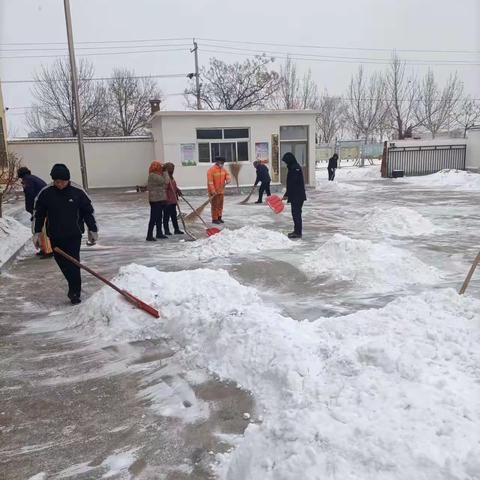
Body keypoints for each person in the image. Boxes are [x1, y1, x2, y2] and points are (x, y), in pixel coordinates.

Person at [33, 164, 98, 305]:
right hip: (55, 236)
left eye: (63, 181)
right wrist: (37, 232)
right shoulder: (46, 193)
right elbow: (38, 214)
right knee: (62, 263)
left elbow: (88, 212)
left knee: (74, 263)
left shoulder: (78, 192)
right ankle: (73, 285)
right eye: (57, 182)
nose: (60, 184)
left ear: (68, 179)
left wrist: (92, 229)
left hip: (73, 235)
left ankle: (75, 292)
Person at [17, 166, 53, 258]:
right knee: (40, 228)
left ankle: (48, 251)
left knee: (43, 228)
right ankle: (44, 249)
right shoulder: (32, 178)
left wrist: (31, 209)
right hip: (44, 205)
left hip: (42, 207)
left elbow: (30, 195)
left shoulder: (28, 180)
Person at [282, 152, 307, 239]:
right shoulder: (293, 167)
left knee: (296, 214)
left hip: (297, 196)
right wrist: (287, 194)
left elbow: (293, 183)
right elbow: (291, 184)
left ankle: (298, 232)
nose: (285, 163)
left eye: (286, 161)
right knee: (295, 213)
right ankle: (296, 231)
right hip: (296, 195)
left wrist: (287, 194)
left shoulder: (295, 168)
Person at [146, 161, 170, 241]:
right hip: (155, 200)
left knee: (159, 217)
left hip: (159, 199)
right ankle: (149, 235)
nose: (161, 168)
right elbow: (166, 181)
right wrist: (165, 172)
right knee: (153, 218)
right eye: (159, 167)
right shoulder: (153, 176)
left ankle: (159, 233)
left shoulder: (157, 175)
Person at [207, 156, 231, 224]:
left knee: (220, 205)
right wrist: (213, 191)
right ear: (217, 162)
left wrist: (228, 179)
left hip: (221, 191)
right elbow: (210, 182)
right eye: (221, 162)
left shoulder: (223, 169)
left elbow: (227, 174)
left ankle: (219, 217)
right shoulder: (211, 170)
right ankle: (214, 219)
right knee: (215, 206)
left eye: (223, 163)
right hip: (214, 192)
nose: (222, 164)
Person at [163, 162, 184, 235]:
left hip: (173, 200)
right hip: (168, 200)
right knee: (166, 216)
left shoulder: (171, 176)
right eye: (171, 168)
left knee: (174, 215)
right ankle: (166, 230)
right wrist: (166, 199)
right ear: (167, 169)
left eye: (173, 168)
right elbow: (165, 189)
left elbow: (173, 186)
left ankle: (176, 229)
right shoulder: (165, 177)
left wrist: (177, 190)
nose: (173, 170)